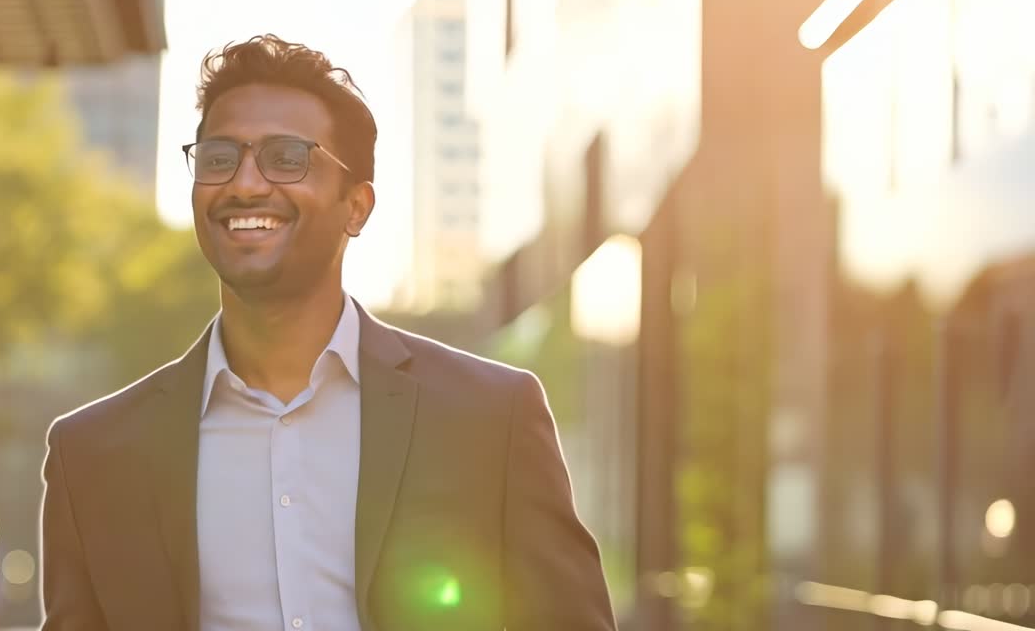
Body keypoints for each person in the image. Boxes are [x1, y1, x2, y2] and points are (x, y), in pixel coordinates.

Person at [39, 34, 617, 631]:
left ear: (356, 207)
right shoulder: (93, 456)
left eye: (286, 158)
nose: (245, 184)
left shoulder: (493, 417)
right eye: (219, 159)